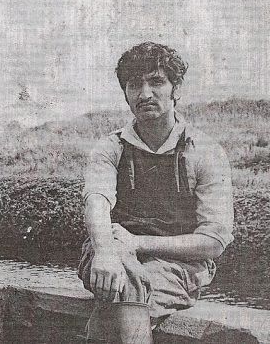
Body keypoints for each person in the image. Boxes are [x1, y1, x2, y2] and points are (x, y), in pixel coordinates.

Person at [78, 42, 234, 343]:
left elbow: (214, 241)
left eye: (157, 81)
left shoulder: (205, 152)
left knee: (127, 289)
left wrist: (137, 244)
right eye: (134, 84)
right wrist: (107, 252)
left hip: (178, 263)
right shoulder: (112, 147)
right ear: (125, 92)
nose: (145, 94)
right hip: (110, 252)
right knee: (124, 281)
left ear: (176, 88)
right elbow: (96, 201)